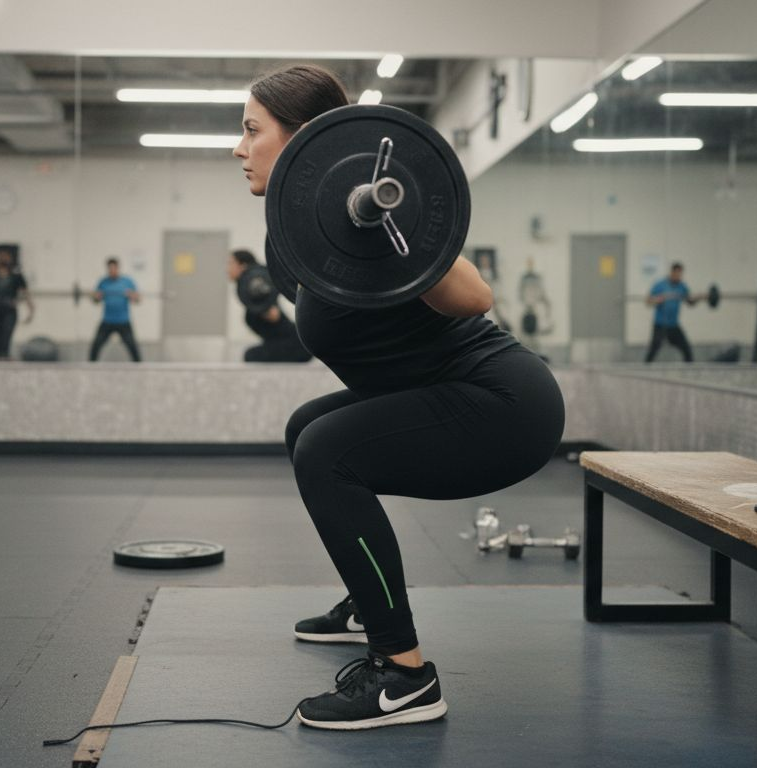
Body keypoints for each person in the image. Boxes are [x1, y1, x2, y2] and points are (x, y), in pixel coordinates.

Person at [233, 64, 565, 730]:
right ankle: (369, 603)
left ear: (305, 142)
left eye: (250, 131)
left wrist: (394, 223)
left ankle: (405, 676)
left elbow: (475, 298)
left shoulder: (379, 217)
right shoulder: (292, 234)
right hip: (446, 389)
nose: (237, 148)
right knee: (308, 429)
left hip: (504, 404)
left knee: (327, 450)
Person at [228, 248, 312, 363]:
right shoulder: (251, 296)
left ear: (243, 265)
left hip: (298, 347)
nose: (227, 268)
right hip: (286, 344)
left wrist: (267, 308)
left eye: (231, 263)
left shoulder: (257, 290)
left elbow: (274, 314)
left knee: (250, 356)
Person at [644, 262, 699, 363]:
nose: (679, 276)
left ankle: (690, 371)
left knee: (686, 349)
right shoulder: (660, 285)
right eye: (677, 274)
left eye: (680, 274)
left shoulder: (682, 287)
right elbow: (648, 301)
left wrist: (696, 299)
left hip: (673, 325)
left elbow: (690, 301)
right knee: (654, 349)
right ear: (672, 273)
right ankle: (644, 370)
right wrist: (657, 300)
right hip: (660, 324)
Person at [89, 257, 141, 362]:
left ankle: (139, 368)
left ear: (118, 268)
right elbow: (95, 300)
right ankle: (90, 367)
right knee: (96, 345)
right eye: (110, 269)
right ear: (108, 269)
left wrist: (132, 295)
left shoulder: (127, 282)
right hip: (107, 321)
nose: (112, 271)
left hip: (123, 321)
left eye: (114, 268)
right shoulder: (103, 282)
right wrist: (96, 297)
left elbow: (137, 299)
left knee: (133, 347)